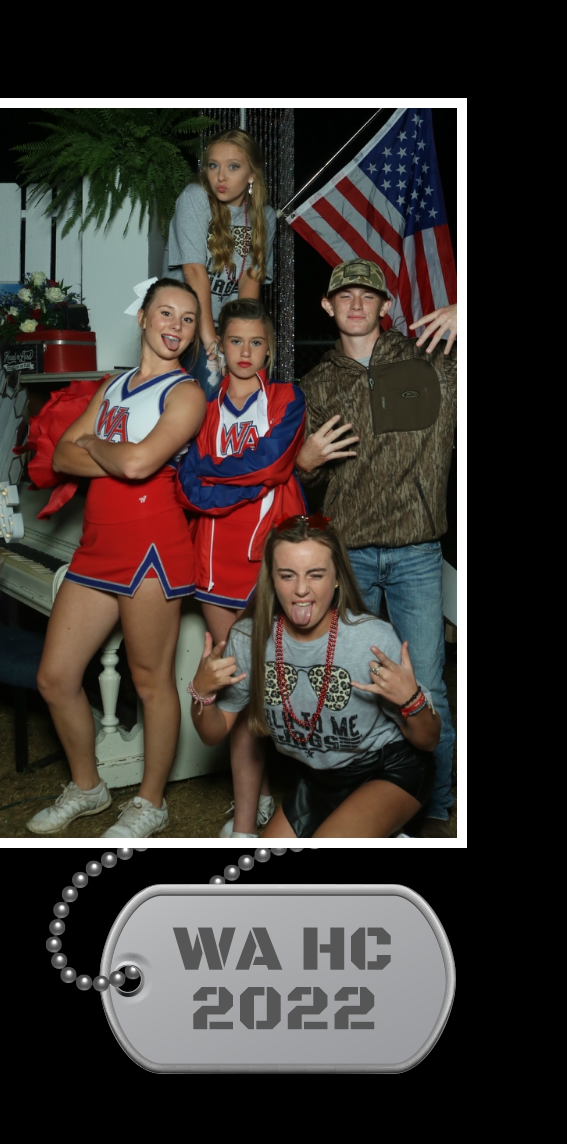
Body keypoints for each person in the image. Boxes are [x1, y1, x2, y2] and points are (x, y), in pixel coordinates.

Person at [27, 276, 206, 839]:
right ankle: (89, 787)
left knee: (151, 681)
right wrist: (115, 453)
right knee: (54, 678)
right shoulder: (114, 386)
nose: (175, 327)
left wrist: (98, 448)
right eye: (166, 314)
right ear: (143, 319)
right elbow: (60, 455)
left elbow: (139, 465)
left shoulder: (187, 394)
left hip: (153, 547)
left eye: (187, 319)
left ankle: (150, 803)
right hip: (98, 545)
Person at [296, 259, 457, 835]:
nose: (357, 304)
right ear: (328, 306)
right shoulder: (316, 385)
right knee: (351, 686)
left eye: (369, 295)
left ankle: (435, 816)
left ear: (386, 304)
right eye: (346, 296)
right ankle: (355, 808)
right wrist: (304, 463)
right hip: (350, 557)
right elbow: (300, 481)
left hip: (416, 551)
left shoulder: (435, 361)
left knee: (427, 687)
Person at [189, 517, 439, 837]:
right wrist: (201, 691)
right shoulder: (248, 638)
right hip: (319, 781)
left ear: (336, 578)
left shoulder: (370, 639)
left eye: (315, 575)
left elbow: (429, 741)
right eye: (287, 575)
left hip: (388, 769)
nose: (302, 589)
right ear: (271, 579)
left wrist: (412, 700)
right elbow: (213, 733)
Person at [174, 298, 307, 837]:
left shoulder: (286, 399)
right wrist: (249, 482)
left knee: (287, 686)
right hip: (213, 565)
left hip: (275, 566)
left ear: (269, 348)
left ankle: (302, 806)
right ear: (219, 346)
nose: (245, 352)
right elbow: (189, 488)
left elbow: (275, 463)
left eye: (256, 342)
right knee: (238, 693)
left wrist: (217, 474)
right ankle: (248, 825)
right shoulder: (199, 408)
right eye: (235, 341)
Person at [163, 130, 277, 398]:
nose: (221, 177)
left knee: (246, 393)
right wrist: (210, 340)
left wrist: (241, 338)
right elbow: (194, 271)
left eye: (233, 167)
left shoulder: (264, 216)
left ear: (251, 174)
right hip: (185, 322)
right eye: (213, 165)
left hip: (224, 326)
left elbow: (250, 280)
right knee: (208, 388)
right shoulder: (195, 198)